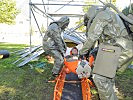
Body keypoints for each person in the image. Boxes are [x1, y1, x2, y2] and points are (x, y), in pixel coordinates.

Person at [79, 5, 133, 100]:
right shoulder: (110, 15)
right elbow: (107, 37)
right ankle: (111, 94)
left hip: (119, 47)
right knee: (107, 75)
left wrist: (82, 52)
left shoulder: (101, 15)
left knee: (100, 77)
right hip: (122, 47)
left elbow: (92, 37)